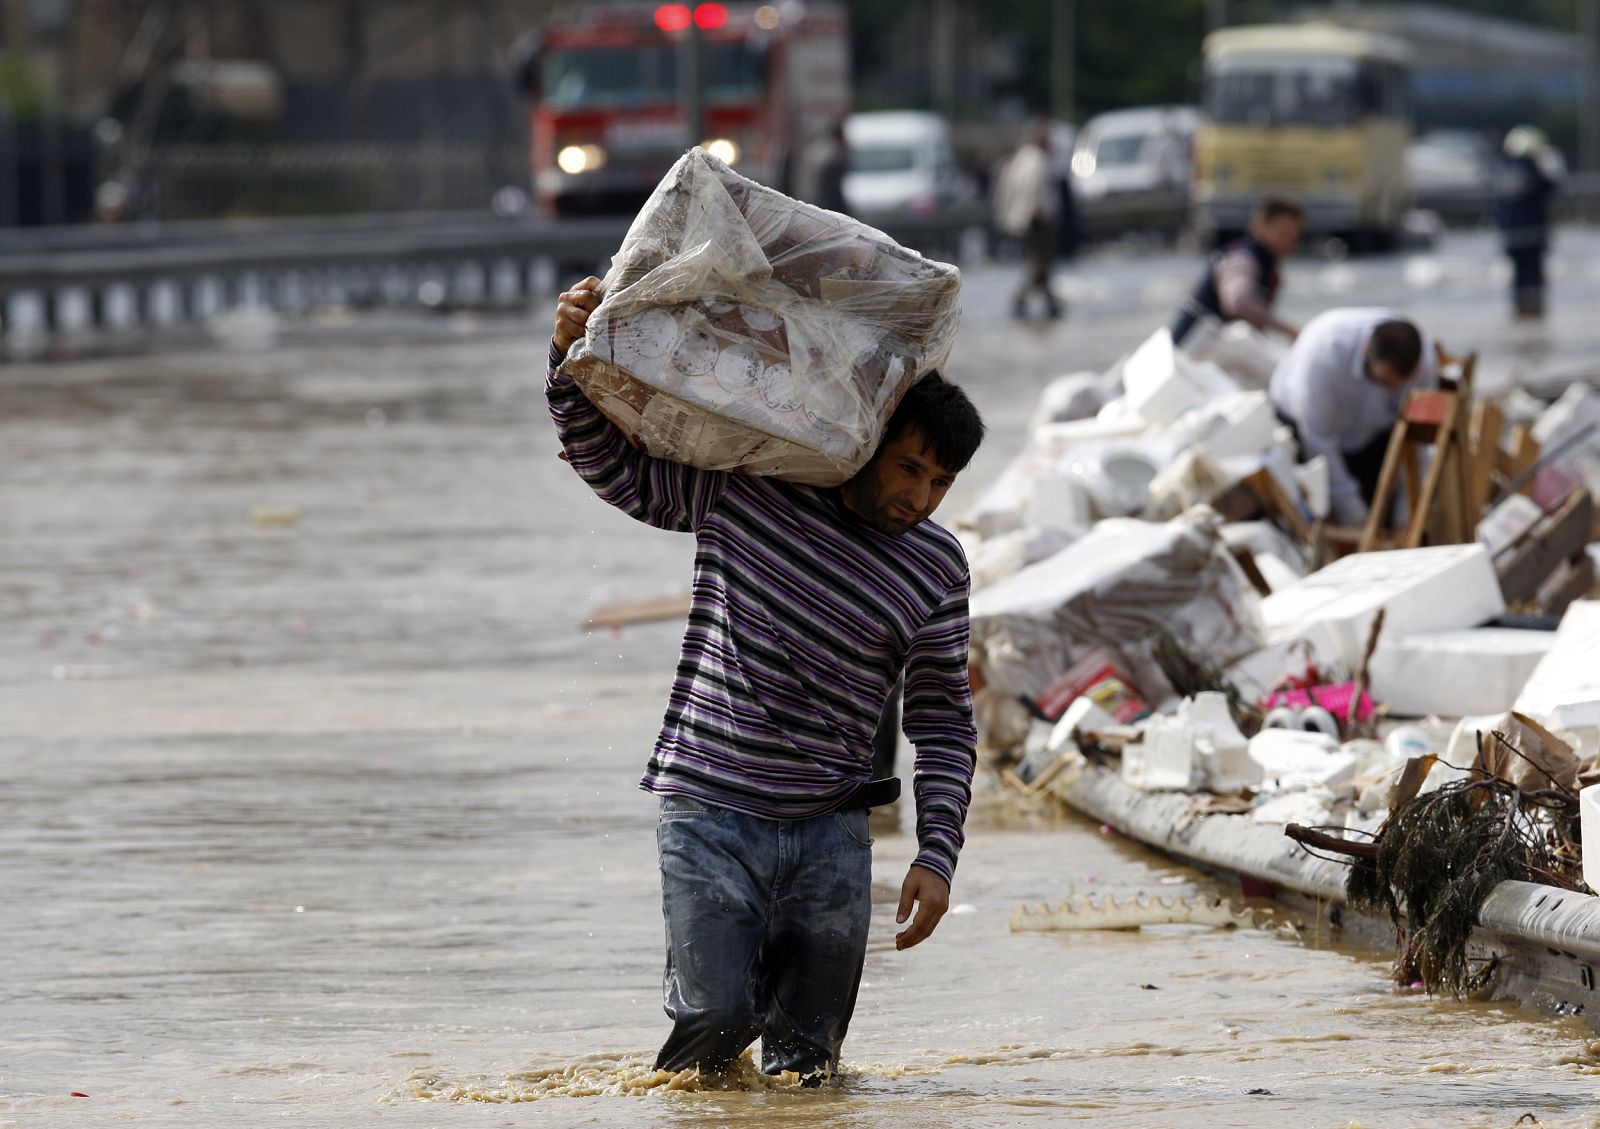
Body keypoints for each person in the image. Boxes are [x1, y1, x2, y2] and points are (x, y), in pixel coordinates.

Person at [546, 277, 984, 1081]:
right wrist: (565, 358)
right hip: (711, 811)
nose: (917, 498)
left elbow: (944, 721)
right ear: (869, 437)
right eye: (909, 468)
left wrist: (937, 850)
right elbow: (615, 469)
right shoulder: (751, 487)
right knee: (713, 1022)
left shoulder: (936, 566)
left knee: (806, 1068)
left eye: (940, 484)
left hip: (833, 835)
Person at [1269, 308, 1437, 528]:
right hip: (1301, 427)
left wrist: (1405, 519)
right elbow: (1319, 442)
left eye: (1402, 384)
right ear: (1366, 351)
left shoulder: (1425, 361)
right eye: (1386, 383)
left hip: (1369, 434)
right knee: (1324, 509)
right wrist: (1355, 516)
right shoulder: (1324, 354)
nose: (1396, 392)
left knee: (1382, 515)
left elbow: (1419, 444)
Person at [1172, 196, 1303, 348]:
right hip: (1190, 351)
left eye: (1295, 236)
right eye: (1284, 233)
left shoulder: (1266, 263)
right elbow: (1238, 302)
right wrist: (1288, 331)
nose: (1291, 241)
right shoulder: (1242, 258)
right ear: (1259, 227)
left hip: (1211, 350)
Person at [994, 120, 1060, 320]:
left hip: (1021, 218)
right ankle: (1021, 299)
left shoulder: (1020, 158)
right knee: (1039, 261)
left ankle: (1051, 302)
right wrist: (1043, 215)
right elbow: (1036, 191)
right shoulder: (1038, 160)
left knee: (1040, 263)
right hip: (1036, 219)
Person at [1495, 126, 1560, 319]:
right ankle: (1533, 314)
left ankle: (1520, 311)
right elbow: (1551, 186)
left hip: (1511, 235)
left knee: (1518, 276)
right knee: (1533, 276)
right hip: (1532, 234)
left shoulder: (1505, 170)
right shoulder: (1532, 169)